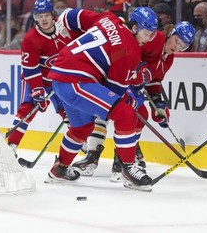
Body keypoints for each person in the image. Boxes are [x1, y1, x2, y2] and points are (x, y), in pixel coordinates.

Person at [46, 6, 158, 192]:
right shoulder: (129, 50)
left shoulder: (109, 18)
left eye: (152, 35)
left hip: (60, 76)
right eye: (146, 33)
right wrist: (130, 101)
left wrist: (63, 33)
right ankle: (128, 168)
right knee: (125, 114)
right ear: (135, 27)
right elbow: (114, 91)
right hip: (76, 81)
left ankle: (59, 169)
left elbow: (69, 15)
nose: (148, 39)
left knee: (82, 128)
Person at [72, 21, 196, 182]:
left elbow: (154, 81)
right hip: (117, 77)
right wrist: (129, 75)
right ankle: (92, 157)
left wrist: (158, 104)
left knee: (140, 114)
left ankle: (121, 162)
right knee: (104, 114)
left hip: (132, 86)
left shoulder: (168, 59)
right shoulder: (156, 39)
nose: (178, 47)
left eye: (183, 46)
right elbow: (127, 50)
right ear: (171, 33)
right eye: (177, 41)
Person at [7, 0, 72, 157]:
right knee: (28, 109)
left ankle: (78, 140)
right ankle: (12, 144)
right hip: (38, 79)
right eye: (39, 16)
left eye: (46, 15)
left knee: (69, 110)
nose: (43, 19)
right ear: (35, 17)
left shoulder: (64, 30)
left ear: (52, 15)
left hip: (59, 78)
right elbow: (30, 68)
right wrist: (38, 91)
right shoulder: (31, 39)